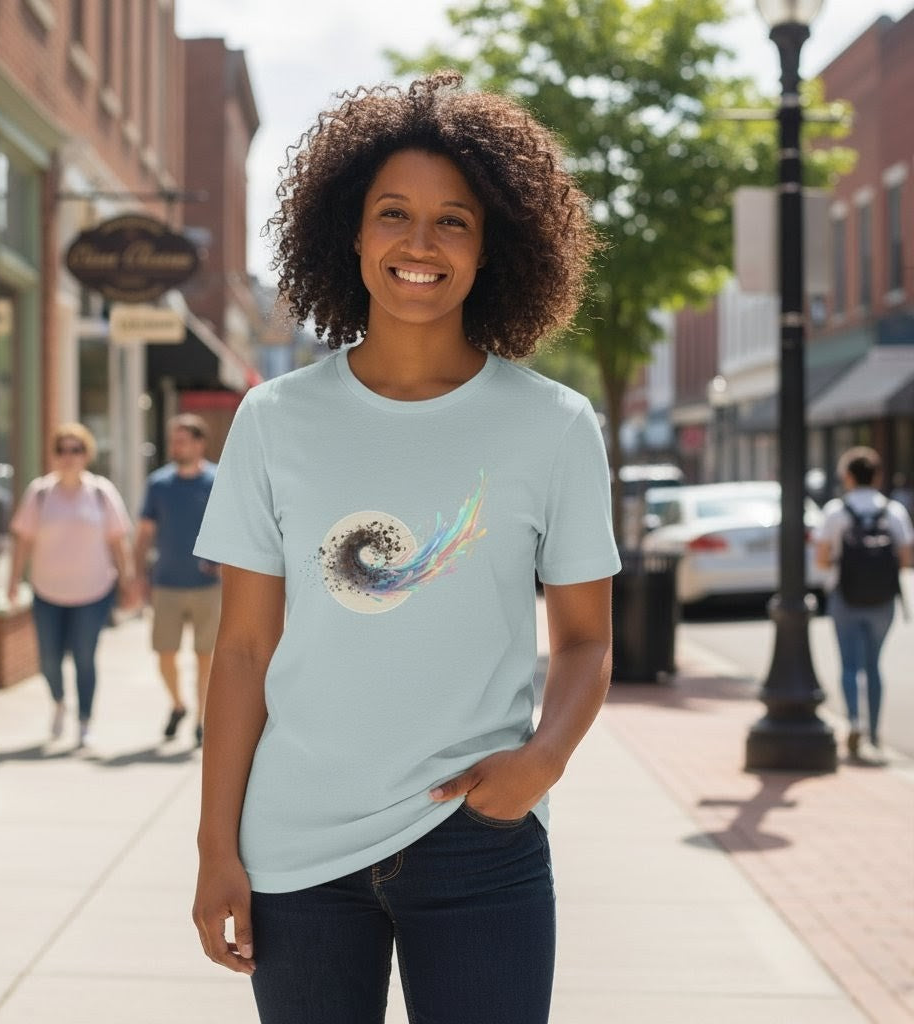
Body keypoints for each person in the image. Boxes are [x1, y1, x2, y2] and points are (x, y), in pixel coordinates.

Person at [191, 71, 620, 1023]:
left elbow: (587, 640)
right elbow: (245, 651)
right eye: (394, 213)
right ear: (351, 230)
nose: (419, 244)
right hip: (296, 847)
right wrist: (216, 846)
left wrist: (540, 763)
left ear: (490, 246)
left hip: (480, 842)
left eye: (453, 221)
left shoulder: (553, 427)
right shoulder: (273, 420)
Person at [8, 423, 135, 746]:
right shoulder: (39, 493)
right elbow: (22, 542)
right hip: (46, 590)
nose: (68, 456)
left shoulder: (101, 492)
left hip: (93, 591)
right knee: (48, 659)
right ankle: (59, 703)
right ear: (54, 455)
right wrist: (11, 582)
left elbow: (118, 543)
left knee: (84, 657)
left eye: (75, 449)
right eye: (62, 450)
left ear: (86, 454)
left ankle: (84, 720)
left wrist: (128, 582)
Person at [815, 446, 913, 758]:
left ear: (848, 477)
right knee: (873, 665)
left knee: (849, 664)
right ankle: (873, 732)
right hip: (883, 599)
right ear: (877, 475)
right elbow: (906, 559)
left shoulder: (835, 511)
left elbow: (821, 558)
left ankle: (854, 720)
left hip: (844, 596)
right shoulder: (893, 511)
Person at [134, 414, 221, 745]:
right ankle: (178, 704)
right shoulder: (159, 484)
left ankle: (201, 719)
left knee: (205, 657)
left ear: (200, 443)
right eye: (174, 439)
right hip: (166, 583)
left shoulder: (217, 480)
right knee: (165, 654)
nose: (177, 445)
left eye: (184, 439)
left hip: (207, 587)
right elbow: (144, 533)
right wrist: (137, 576)